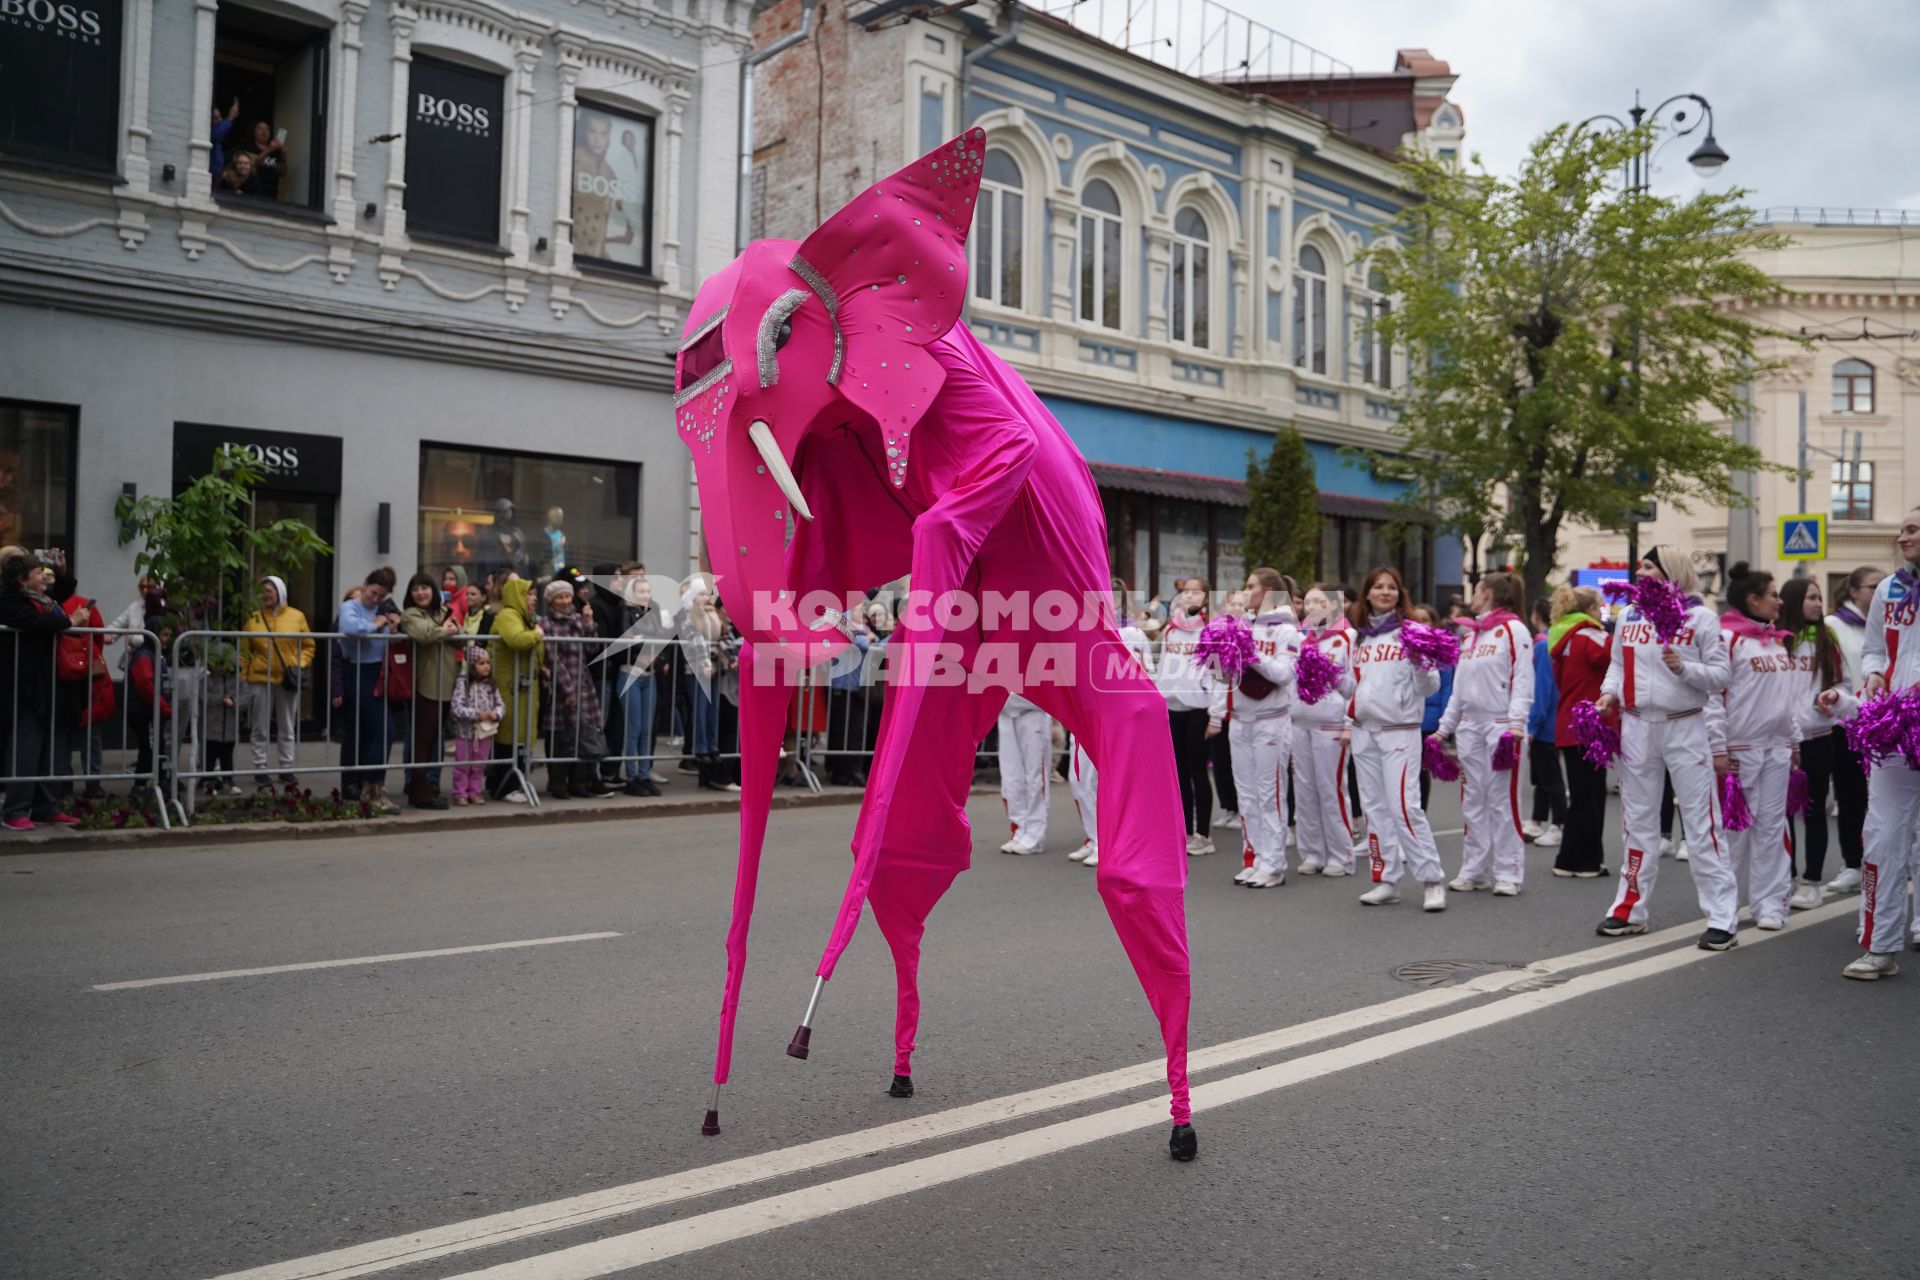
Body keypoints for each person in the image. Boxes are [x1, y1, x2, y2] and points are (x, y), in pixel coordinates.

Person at [1592, 545, 1740, 951]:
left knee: (1701, 822)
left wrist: (1684, 667)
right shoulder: (1629, 617)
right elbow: (1617, 666)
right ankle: (1629, 907)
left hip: (1685, 726)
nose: (1641, 572)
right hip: (1637, 726)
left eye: (1649, 566)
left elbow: (1721, 674)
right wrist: (1609, 695)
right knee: (1636, 820)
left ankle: (1722, 916)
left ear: (1671, 571)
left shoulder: (1700, 617)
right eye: (1640, 565)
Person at [1707, 563, 1818, 932]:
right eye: (1773, 595)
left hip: (1777, 749)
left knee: (1773, 828)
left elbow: (1788, 697)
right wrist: (1719, 748)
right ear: (1753, 599)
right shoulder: (1727, 639)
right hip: (1740, 749)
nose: (1779, 601)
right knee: (1736, 831)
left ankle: (1770, 904)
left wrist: (1795, 739)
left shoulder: (1777, 639)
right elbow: (1713, 697)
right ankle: (1726, 907)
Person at [1837, 507, 1920, 978]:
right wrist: (1872, 675)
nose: (1901, 536)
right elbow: (1874, 649)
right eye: (1903, 529)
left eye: (1911, 529)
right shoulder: (1889, 589)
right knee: (1884, 834)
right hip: (1895, 726)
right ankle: (1880, 946)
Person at [1349, 566, 1447, 911]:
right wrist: (1328, 678)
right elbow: (1353, 687)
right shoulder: (1358, 637)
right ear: (1367, 594)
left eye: (1391, 587)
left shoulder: (1412, 632)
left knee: (1405, 808)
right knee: (1374, 809)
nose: (1385, 592)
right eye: (1378, 587)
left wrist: (1421, 664)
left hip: (1400, 732)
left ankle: (1432, 880)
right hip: (1363, 733)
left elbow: (1430, 686)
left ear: (1399, 593)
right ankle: (1386, 878)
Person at [1432, 572, 1534, 897]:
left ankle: (1508, 872)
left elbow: (1522, 679)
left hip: (1502, 725)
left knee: (1503, 801)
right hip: (1469, 726)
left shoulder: (1513, 630)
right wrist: (1444, 729)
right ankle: (1474, 869)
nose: (1471, 596)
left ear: (1489, 594)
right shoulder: (1470, 635)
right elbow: (1459, 689)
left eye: (1477, 590)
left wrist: (1516, 723)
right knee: (1473, 800)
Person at [1207, 569, 1299, 888]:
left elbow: (1284, 674)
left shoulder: (1285, 629)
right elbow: (1224, 676)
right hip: (1240, 720)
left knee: (1269, 794)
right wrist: (1216, 658)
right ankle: (1254, 858)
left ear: (1270, 590)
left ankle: (1273, 863)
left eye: (1250, 586)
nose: (1245, 592)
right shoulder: (1242, 625)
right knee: (1246, 794)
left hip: (1271, 721)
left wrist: (1250, 653)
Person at [1779, 577, 1845, 911]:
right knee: (1781, 811)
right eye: (1811, 598)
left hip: (1818, 737)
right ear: (1793, 601)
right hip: (1781, 740)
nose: (1819, 604)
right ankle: (1784, 878)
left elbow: (1843, 682)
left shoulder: (1826, 638)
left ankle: (1811, 881)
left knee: (1814, 809)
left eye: (1820, 598)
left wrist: (1832, 699)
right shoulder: (1776, 640)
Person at [0, 550, 79, 829]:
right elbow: (39, 623)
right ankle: (15, 810)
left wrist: (61, 570)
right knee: (26, 746)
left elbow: (63, 593)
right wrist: (71, 622)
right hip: (25, 686)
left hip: (48, 682)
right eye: (38, 573)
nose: (44, 577)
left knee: (49, 748)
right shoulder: (10, 601)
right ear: (22, 581)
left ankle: (46, 806)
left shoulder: (41, 600)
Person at [1290, 585, 1358, 877]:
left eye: (1319, 602)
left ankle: (1341, 855)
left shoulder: (1348, 638)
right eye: (1308, 602)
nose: (1312, 607)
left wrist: (1348, 724)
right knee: (1304, 790)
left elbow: (1355, 686)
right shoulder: (1304, 640)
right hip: (1300, 722)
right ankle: (1312, 852)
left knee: (1331, 790)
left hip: (1331, 724)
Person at [1822, 564, 1880, 893]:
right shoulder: (1833, 625)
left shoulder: (1888, 624)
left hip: (1887, 723)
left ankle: (1889, 861)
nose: (1880, 592)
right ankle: (1852, 864)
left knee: (1886, 803)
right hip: (1848, 723)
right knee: (1851, 796)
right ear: (1854, 591)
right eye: (1873, 586)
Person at [1547, 585, 1613, 878]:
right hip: (1592, 724)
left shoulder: (1564, 637)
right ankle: (1587, 860)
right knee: (1591, 794)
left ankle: (1569, 858)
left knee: (1582, 793)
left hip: (1569, 721)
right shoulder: (1594, 636)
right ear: (1590, 609)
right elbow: (1613, 660)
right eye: (1600, 605)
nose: (1602, 610)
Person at [539, 577, 612, 799]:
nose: (564, 600)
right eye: (559, 597)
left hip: (583, 684)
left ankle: (579, 782)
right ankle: (558, 783)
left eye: (567, 596)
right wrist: (567, 690)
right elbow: (553, 658)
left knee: (582, 733)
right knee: (561, 736)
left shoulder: (579, 620)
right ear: (551, 601)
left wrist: (590, 624)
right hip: (562, 686)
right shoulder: (546, 624)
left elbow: (591, 649)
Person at [1157, 577, 1216, 854]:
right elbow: (1164, 666)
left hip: (1199, 707)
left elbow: (1216, 673)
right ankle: (1184, 830)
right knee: (1177, 772)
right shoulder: (1171, 630)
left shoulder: (1210, 629)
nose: (1189, 596)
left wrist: (1216, 713)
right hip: (1173, 707)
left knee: (1197, 771)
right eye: (1185, 592)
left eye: (1196, 592)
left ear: (1206, 599)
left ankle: (1203, 835)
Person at [241, 574, 313, 787]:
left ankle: (286, 767)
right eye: (262, 591)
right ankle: (260, 766)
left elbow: (308, 645)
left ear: (280, 592)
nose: (265, 595)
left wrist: (299, 664)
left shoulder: (297, 616)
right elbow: (245, 650)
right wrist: (243, 675)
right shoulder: (253, 618)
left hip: (286, 678)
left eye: (269, 591)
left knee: (287, 725)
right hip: (259, 678)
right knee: (259, 726)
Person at [336, 569, 399, 809]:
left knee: (374, 731)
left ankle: (367, 782)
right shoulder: (351, 607)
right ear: (365, 585)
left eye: (381, 596)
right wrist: (377, 623)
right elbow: (351, 628)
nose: (375, 599)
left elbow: (387, 638)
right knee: (381, 730)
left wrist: (392, 627)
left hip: (379, 671)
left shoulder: (381, 609)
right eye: (373, 593)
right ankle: (368, 784)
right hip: (358, 670)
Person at [399, 572, 460, 809]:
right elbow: (423, 634)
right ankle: (420, 793)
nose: (420, 593)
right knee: (422, 740)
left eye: (425, 588)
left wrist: (448, 629)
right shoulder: (410, 614)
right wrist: (444, 630)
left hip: (445, 685)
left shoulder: (442, 612)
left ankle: (429, 786)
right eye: (415, 589)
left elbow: (461, 634)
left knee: (436, 739)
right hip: (424, 685)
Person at [490, 576, 543, 803]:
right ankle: (504, 786)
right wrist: (537, 634)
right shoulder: (508, 615)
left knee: (520, 735)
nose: (534, 598)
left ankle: (516, 781)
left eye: (534, 594)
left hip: (523, 686)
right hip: (509, 686)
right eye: (529, 594)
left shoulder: (525, 617)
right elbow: (516, 639)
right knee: (509, 735)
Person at [1524, 597, 1566, 848]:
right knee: (1542, 774)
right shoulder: (1557, 641)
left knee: (1549, 776)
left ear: (1535, 615)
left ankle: (1558, 823)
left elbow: (1541, 688)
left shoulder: (1542, 646)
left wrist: (1532, 723)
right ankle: (1538, 818)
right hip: (1554, 717)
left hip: (1545, 722)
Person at [996, 691, 1051, 855]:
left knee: (1035, 777)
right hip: (1005, 710)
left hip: (1033, 711)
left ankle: (1034, 835)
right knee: (1011, 777)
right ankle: (1019, 830)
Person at [449, 646, 503, 806]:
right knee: (463, 764)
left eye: (488, 662)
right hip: (465, 732)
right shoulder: (463, 684)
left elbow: (501, 704)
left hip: (484, 732)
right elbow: (456, 707)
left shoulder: (491, 685)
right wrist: (476, 714)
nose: (486, 666)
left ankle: (475, 791)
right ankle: (460, 792)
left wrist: (496, 713)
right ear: (473, 665)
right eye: (481, 663)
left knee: (479, 764)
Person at [1413, 605, 1453, 809]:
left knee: (1421, 771)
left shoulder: (1440, 650)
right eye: (1416, 619)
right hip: (1407, 718)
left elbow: (1447, 687)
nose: (1420, 624)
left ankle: (1421, 812)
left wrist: (1444, 722)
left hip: (1429, 720)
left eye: (1425, 619)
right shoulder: (1405, 648)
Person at [201, 643, 241, 796]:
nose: (222, 668)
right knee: (210, 757)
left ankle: (228, 780)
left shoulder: (237, 680)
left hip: (229, 729)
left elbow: (245, 696)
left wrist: (234, 701)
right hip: (211, 728)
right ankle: (207, 782)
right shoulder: (208, 680)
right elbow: (203, 697)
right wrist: (220, 699)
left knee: (227, 757)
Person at [233, 120, 288, 198]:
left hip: (271, 194)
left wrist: (283, 155)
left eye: (267, 129)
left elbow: (282, 173)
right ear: (254, 131)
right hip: (250, 192)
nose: (264, 131)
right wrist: (269, 149)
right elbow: (252, 165)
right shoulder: (248, 147)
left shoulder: (275, 151)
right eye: (260, 128)